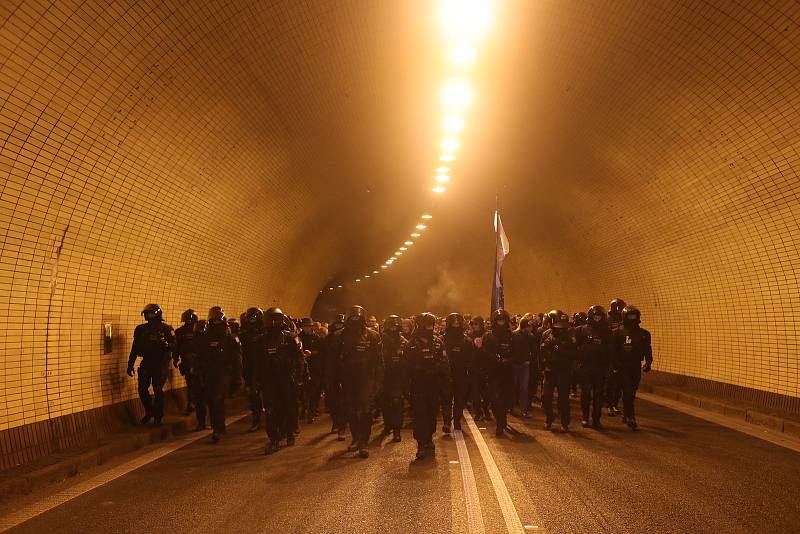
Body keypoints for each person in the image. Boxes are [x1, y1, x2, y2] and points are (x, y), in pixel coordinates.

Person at [335, 305, 382, 458]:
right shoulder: (340, 336)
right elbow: (334, 361)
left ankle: (363, 441)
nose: (355, 320)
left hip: (366, 378)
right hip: (348, 379)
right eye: (352, 318)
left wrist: (378, 381)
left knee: (365, 411)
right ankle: (355, 438)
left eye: (358, 317)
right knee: (352, 410)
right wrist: (335, 380)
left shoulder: (373, 336)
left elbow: (379, 361)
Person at [258, 307, 305, 454]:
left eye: (275, 319)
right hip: (269, 381)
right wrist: (255, 381)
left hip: (287, 379)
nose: (272, 322)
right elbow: (256, 363)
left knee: (288, 407)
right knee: (271, 410)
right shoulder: (261, 340)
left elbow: (300, 359)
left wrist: (298, 377)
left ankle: (289, 432)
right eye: (269, 319)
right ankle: (274, 439)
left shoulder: (290, 337)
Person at [406, 313, 449, 460]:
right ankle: (420, 444)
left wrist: (445, 382)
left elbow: (444, 363)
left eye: (432, 324)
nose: (430, 327)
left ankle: (429, 437)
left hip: (434, 384)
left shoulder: (438, 342)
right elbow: (405, 366)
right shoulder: (411, 344)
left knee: (432, 412)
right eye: (428, 324)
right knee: (420, 415)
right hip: (418, 385)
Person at [196, 307, 242, 442]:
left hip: (224, 373)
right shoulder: (205, 338)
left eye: (218, 320)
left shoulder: (230, 339)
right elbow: (200, 355)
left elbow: (237, 359)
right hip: (210, 373)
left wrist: (237, 378)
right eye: (213, 320)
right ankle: (219, 426)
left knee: (217, 398)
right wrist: (198, 369)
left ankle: (218, 429)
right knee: (212, 400)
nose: (216, 323)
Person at [127, 304, 176, 426]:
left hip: (161, 362)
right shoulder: (140, 329)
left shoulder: (166, 329)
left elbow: (175, 345)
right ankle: (150, 411)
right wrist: (130, 363)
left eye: (152, 314)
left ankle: (158, 415)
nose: (149, 316)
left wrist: (166, 344)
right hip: (147, 362)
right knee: (142, 389)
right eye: (147, 314)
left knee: (157, 389)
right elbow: (135, 347)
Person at [612, 306, 653, 430]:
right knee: (628, 390)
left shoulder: (644, 334)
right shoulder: (617, 333)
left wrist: (648, 362)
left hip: (635, 365)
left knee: (632, 391)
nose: (632, 319)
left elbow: (647, 349)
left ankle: (626, 412)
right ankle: (631, 416)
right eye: (630, 316)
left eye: (634, 316)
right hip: (622, 366)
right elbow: (613, 351)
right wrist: (614, 365)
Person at [540, 310, 578, 432]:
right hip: (549, 370)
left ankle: (565, 422)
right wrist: (542, 365)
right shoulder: (546, 334)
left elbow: (574, 353)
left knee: (563, 399)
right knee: (546, 397)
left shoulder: (570, 335)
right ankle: (549, 417)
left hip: (563, 371)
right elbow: (541, 351)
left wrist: (558, 349)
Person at [575, 305, 612, 429]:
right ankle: (585, 417)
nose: (597, 319)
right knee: (586, 393)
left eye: (599, 317)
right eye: (595, 316)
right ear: (591, 316)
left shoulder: (606, 331)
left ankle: (596, 419)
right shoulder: (582, 330)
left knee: (598, 394)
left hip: (600, 367)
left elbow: (610, 349)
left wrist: (609, 366)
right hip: (586, 366)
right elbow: (575, 347)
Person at [483, 309, 514, 436]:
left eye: (503, 321)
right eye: (499, 321)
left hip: (507, 372)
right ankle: (500, 421)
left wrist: (508, 360)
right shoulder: (488, 336)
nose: (501, 323)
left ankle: (503, 418)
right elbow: (485, 351)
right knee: (495, 400)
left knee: (506, 399)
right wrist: (495, 359)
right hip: (493, 372)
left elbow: (518, 352)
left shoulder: (512, 336)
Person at [380, 315, 408, 442]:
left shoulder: (404, 342)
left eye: (395, 326)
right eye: (391, 326)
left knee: (397, 403)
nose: (393, 329)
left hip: (398, 377)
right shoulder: (380, 341)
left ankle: (397, 430)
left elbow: (409, 361)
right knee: (385, 403)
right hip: (384, 376)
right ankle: (387, 425)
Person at [442, 313, 472, 431]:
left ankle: (457, 420)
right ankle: (446, 422)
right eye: (453, 323)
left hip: (461, 373)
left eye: (457, 323)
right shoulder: (442, 339)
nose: (456, 325)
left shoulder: (467, 340)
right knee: (446, 399)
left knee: (459, 399)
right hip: (447, 374)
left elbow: (471, 358)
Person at [240, 307, 267, 432]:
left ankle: (270, 418)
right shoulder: (244, 334)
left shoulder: (266, 331)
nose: (252, 320)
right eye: (250, 318)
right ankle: (256, 419)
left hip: (265, 366)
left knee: (268, 394)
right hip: (250, 367)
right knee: (254, 395)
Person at [323, 317, 348, 440]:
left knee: (344, 400)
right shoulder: (329, 339)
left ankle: (342, 425)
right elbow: (324, 357)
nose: (339, 328)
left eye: (341, 325)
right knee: (333, 400)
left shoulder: (348, 338)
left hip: (345, 373)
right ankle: (336, 422)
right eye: (337, 325)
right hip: (332, 373)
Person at [299, 318, 324, 423]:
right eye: (305, 326)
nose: (306, 328)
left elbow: (322, 353)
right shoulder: (299, 338)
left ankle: (311, 412)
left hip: (314, 368)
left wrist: (312, 354)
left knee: (313, 392)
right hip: (302, 368)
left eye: (308, 326)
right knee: (303, 391)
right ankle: (305, 407)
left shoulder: (317, 338)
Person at [174, 309, 199, 415]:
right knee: (191, 381)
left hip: (199, 361)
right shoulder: (179, 332)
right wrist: (175, 358)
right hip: (187, 361)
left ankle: (195, 401)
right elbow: (176, 347)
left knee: (195, 382)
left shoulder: (199, 330)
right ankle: (192, 402)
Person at [510, 316, 535, 418]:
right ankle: (511, 408)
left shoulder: (531, 337)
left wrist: (529, 360)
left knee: (524, 388)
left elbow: (533, 351)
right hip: (515, 365)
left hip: (524, 365)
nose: (531, 328)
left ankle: (523, 409)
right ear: (524, 326)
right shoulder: (514, 335)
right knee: (514, 387)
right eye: (529, 326)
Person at [606, 298, 627, 416]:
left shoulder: (624, 318)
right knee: (611, 381)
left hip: (620, 354)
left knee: (618, 383)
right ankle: (610, 404)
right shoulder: (608, 319)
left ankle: (614, 404)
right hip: (610, 354)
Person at [468, 316, 491, 421]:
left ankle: (486, 409)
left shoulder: (487, 336)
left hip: (485, 367)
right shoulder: (469, 336)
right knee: (476, 392)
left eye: (477, 324)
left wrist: (481, 347)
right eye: (474, 324)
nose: (475, 326)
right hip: (474, 367)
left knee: (486, 392)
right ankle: (478, 412)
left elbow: (489, 353)